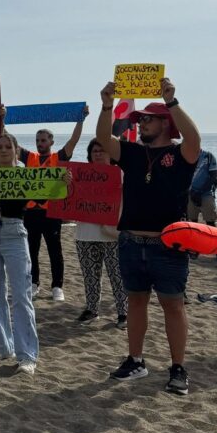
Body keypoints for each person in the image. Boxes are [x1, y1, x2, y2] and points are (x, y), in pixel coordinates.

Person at [97, 78, 200, 396]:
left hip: (168, 244)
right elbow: (103, 138)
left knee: (173, 306)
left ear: (166, 123)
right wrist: (106, 105)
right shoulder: (130, 152)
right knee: (136, 302)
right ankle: (136, 360)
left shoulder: (181, 154)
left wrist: (171, 101)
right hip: (130, 240)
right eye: (140, 118)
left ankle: (178, 368)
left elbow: (195, 138)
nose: (141, 122)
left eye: (148, 118)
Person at [0, 133, 49, 375]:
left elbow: (42, 196)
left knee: (21, 294)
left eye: (8, 147)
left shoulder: (26, 174)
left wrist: (63, 182)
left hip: (15, 230)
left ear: (16, 150)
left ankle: (27, 355)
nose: (4, 150)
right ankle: (0, 346)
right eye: (0, 147)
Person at [18, 107, 89, 301]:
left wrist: (80, 119)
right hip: (32, 211)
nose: (40, 143)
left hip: (52, 211)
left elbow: (73, 141)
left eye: (43, 140)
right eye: (37, 140)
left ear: (51, 142)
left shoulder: (58, 157)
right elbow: (8, 141)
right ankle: (34, 283)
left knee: (54, 250)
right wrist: (2, 119)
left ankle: (57, 286)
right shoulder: (29, 158)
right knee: (31, 249)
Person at [74, 139, 128, 328]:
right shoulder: (80, 174)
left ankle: (123, 312)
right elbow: (67, 197)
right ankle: (92, 310)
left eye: (102, 150)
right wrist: (65, 182)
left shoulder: (119, 173)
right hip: (84, 233)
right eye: (94, 150)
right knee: (90, 275)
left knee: (117, 275)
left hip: (111, 233)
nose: (98, 153)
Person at [187, 149, 217, 261]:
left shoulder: (208, 156)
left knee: (211, 224)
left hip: (206, 194)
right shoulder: (186, 155)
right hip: (190, 194)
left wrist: (199, 192)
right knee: (192, 225)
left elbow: (215, 178)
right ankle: (195, 251)